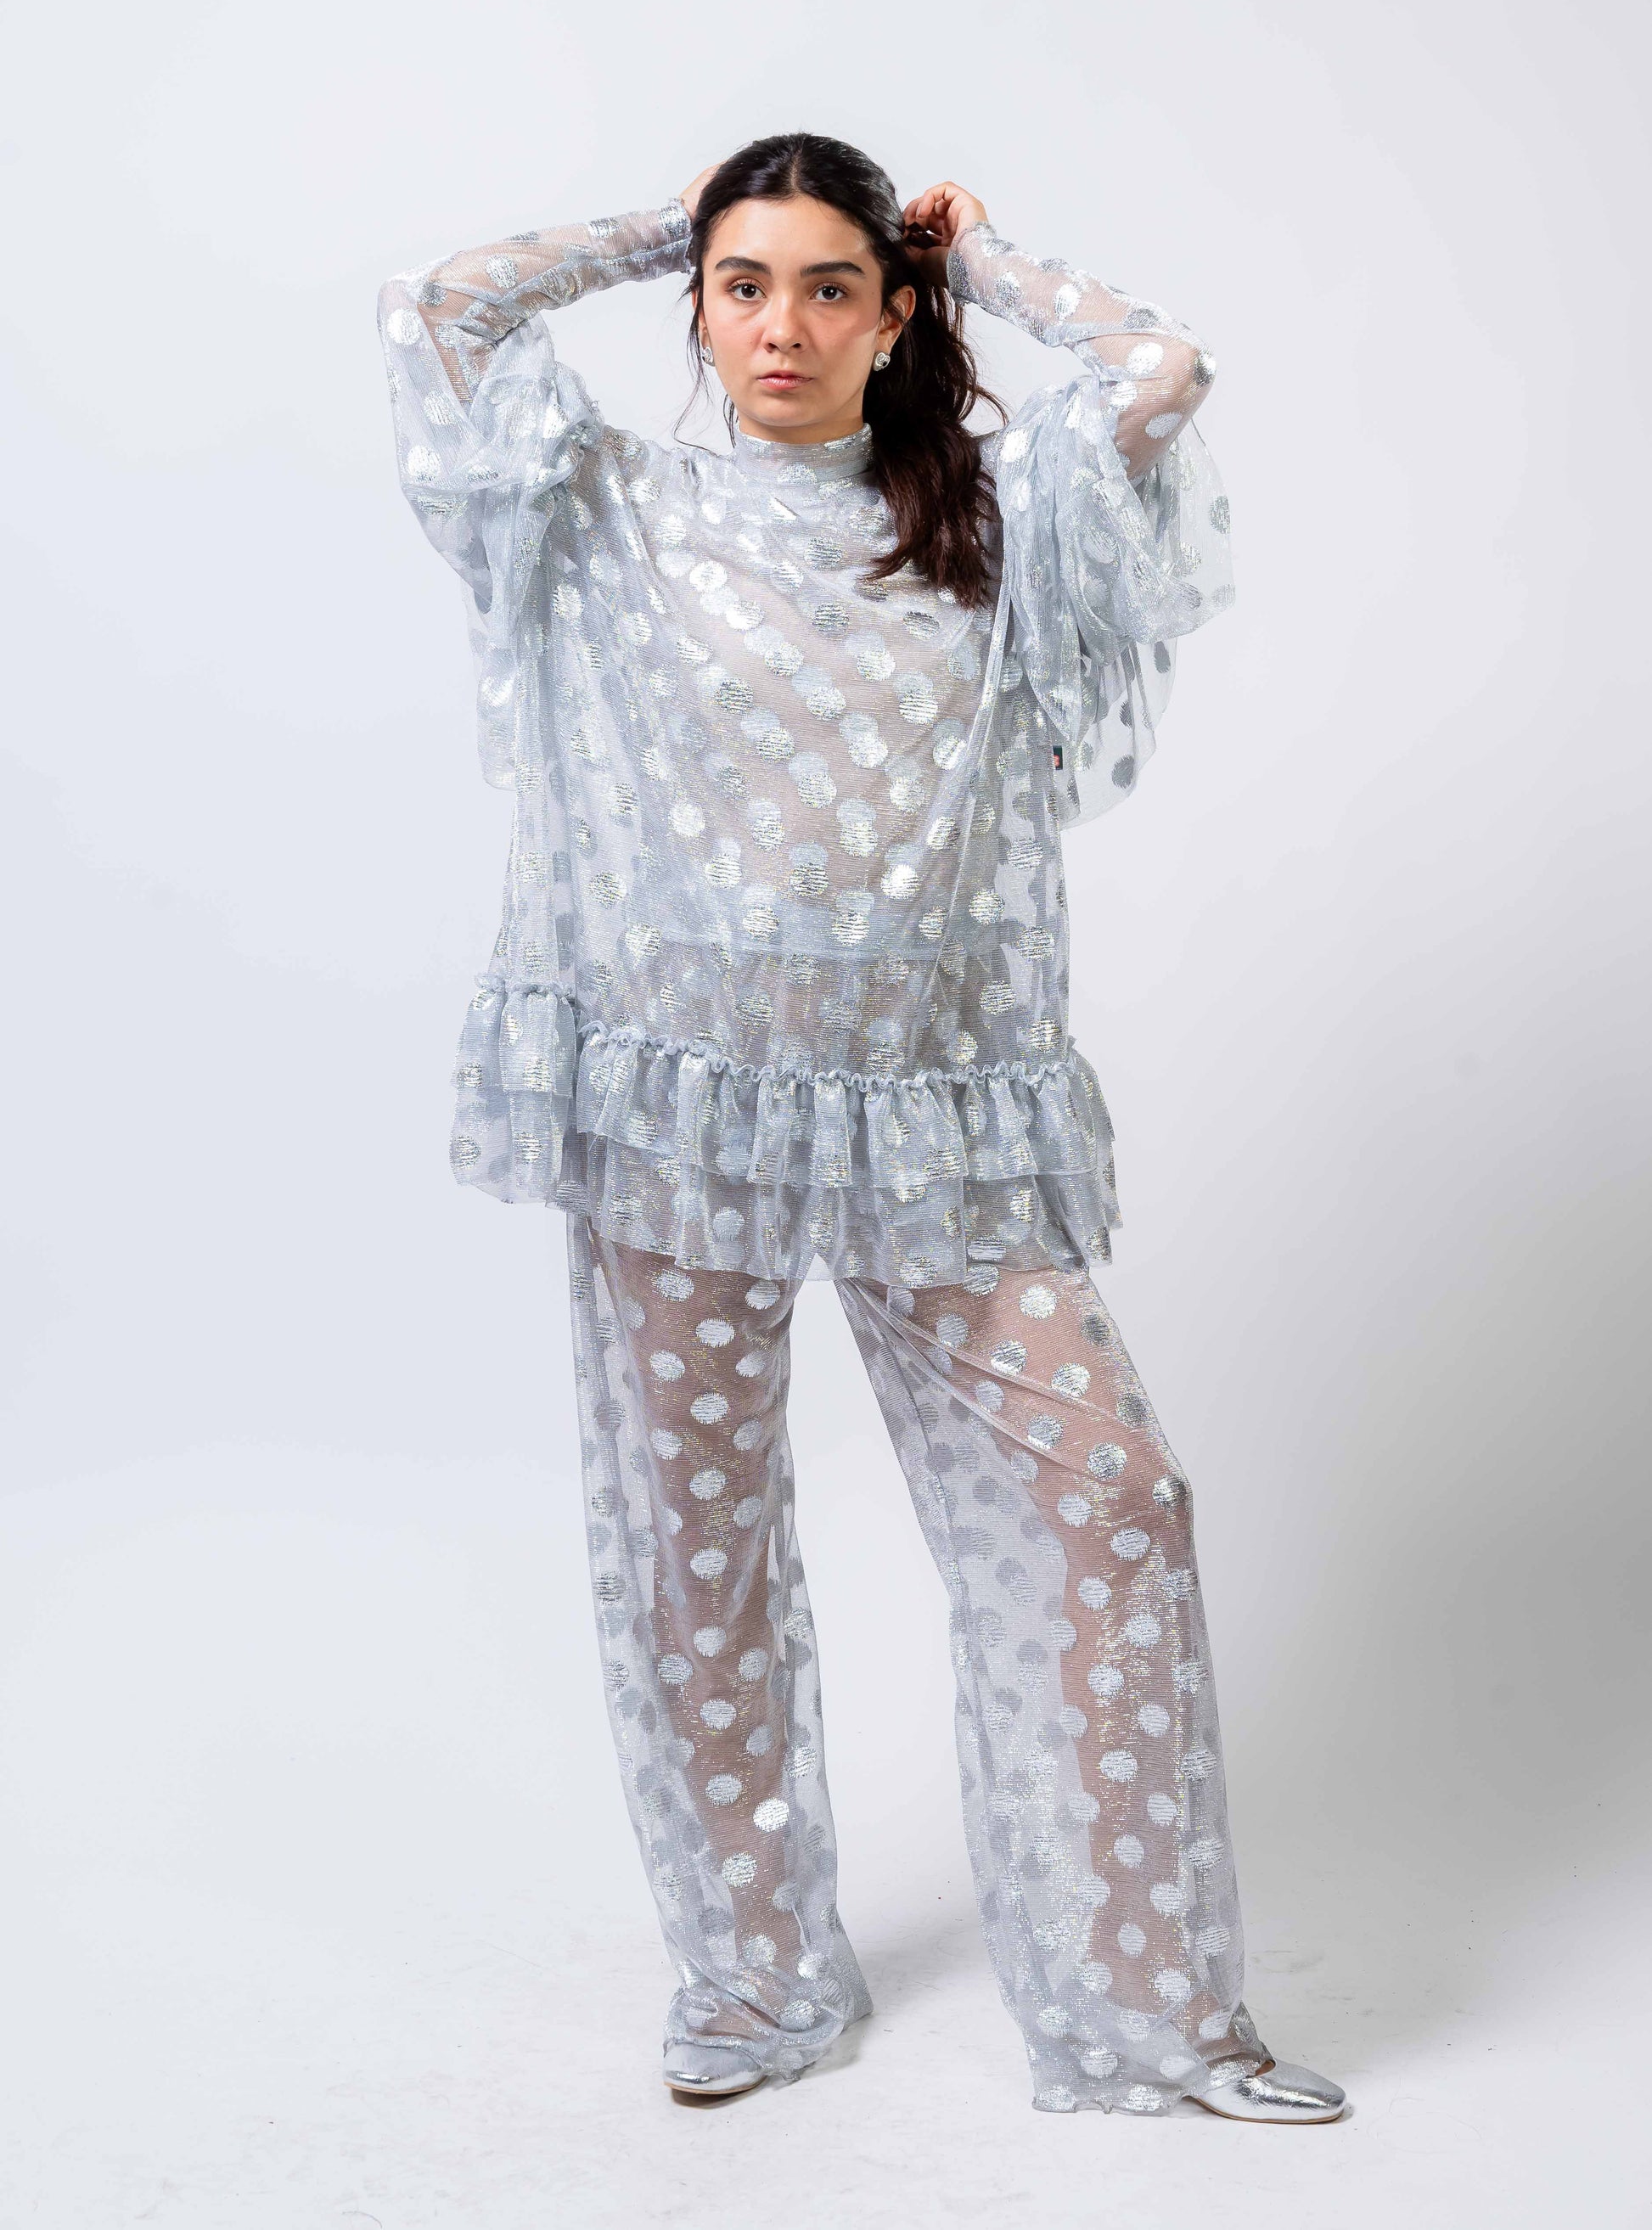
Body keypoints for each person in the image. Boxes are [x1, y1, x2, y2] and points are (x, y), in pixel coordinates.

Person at [376, 133, 1346, 2124]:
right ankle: (754, 1980)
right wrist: (659, 220)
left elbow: (1158, 369)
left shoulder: (997, 514)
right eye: (741, 285)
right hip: (681, 1099)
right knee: (695, 1545)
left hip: (931, 1114)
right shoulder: (606, 504)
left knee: (1110, 1504)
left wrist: (989, 261)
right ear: (697, 304)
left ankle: (1151, 2012)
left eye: (831, 286)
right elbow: (439, 310)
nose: (783, 326)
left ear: (895, 314)